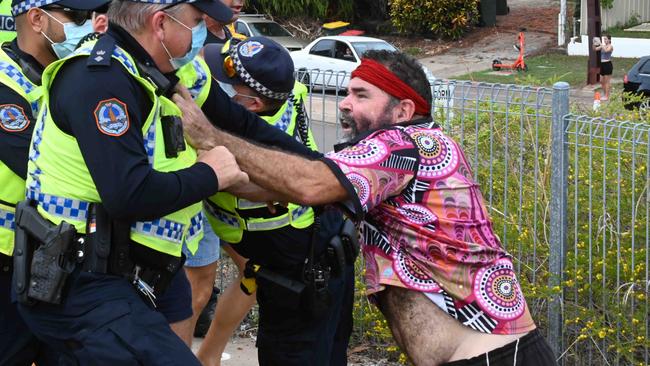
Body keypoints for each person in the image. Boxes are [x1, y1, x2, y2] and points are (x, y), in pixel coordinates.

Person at [175, 50, 558, 366]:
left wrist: (213, 136)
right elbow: (290, 186)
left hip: (495, 357)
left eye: (361, 95)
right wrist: (217, 174)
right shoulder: (400, 153)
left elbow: (309, 183)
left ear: (404, 110)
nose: (344, 104)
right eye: (346, 93)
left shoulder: (403, 145)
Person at [12, 0, 272, 363]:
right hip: (82, 279)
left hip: (141, 270)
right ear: (160, 23)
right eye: (197, 21)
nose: (205, 32)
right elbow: (127, 192)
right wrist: (210, 173)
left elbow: (235, 125)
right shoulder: (100, 78)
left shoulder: (148, 74)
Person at [195, 37, 344, 366]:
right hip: (297, 234)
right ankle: (209, 356)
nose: (219, 88)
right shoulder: (284, 93)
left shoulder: (246, 133)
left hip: (282, 243)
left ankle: (207, 356)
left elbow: (239, 182)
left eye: (229, 85)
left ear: (252, 104)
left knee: (290, 342)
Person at [0, 1, 110, 364]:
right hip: (7, 257)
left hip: (61, 253)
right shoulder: (4, 80)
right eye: (77, 18)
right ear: (36, 18)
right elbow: (32, 160)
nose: (89, 26)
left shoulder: (70, 74)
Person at [594, 34, 613, 101]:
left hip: (607, 64)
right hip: (602, 64)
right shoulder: (603, 46)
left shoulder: (610, 46)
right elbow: (595, 49)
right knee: (601, 81)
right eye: (604, 39)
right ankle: (605, 94)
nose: (604, 40)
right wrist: (594, 42)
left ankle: (607, 96)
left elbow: (606, 50)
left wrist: (601, 44)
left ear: (609, 40)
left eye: (606, 39)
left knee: (607, 81)